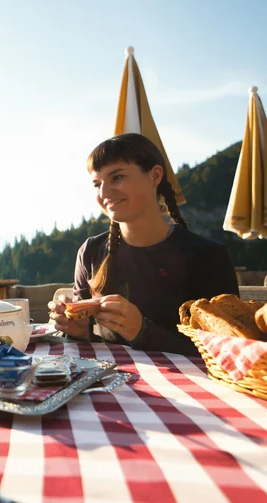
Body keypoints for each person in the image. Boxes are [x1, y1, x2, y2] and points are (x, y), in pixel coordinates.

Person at [48, 133, 239, 356]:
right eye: (97, 184)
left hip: (183, 387)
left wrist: (142, 331)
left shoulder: (207, 256)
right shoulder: (91, 252)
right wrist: (77, 330)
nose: (104, 193)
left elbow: (228, 350)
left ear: (155, 176)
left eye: (117, 177)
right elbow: (89, 340)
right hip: (107, 383)